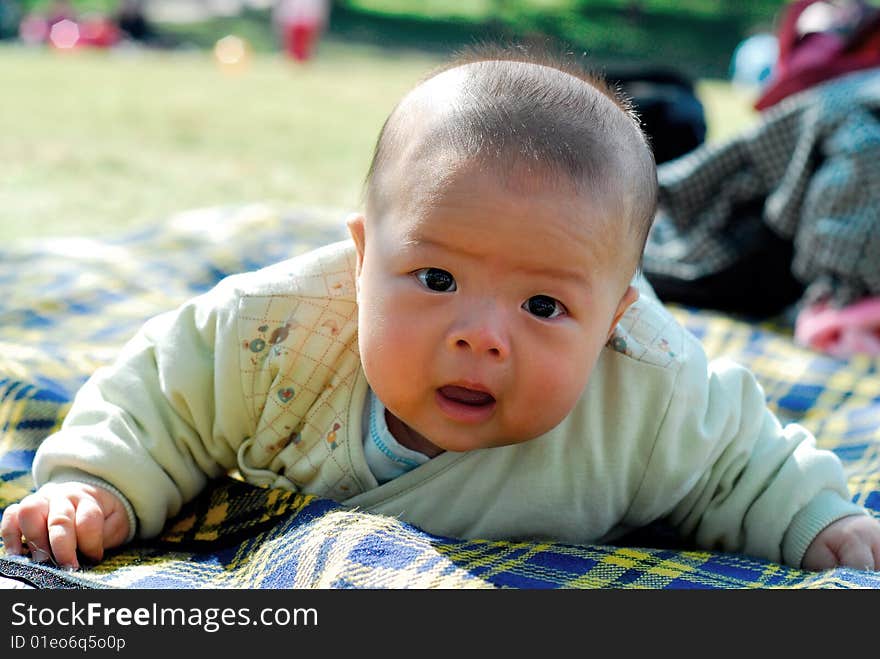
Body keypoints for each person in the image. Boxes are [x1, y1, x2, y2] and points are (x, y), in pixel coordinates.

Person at [3, 45, 880, 574]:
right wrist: (96, 486)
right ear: (360, 260)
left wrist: (824, 523)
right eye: (434, 279)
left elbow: (748, 460)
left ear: (612, 320)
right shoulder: (276, 337)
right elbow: (160, 396)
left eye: (543, 303)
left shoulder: (649, 395)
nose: (480, 334)